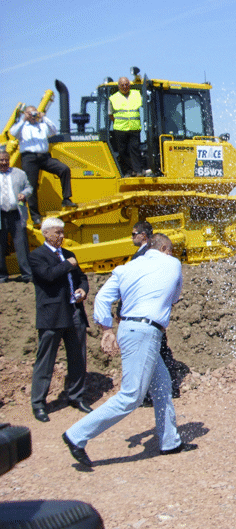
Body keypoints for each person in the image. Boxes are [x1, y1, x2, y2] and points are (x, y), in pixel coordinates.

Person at [62, 234, 197, 467]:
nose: (172, 254)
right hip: (145, 332)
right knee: (131, 396)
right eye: (171, 249)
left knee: (162, 385)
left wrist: (106, 330)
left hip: (129, 329)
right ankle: (76, 435)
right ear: (164, 248)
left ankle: (170, 441)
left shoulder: (126, 268)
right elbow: (174, 298)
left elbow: (103, 298)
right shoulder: (172, 263)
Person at [28, 217, 91, 423]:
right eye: (57, 233)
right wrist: (67, 265)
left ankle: (76, 396)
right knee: (45, 361)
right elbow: (47, 276)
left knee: (77, 357)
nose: (62, 237)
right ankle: (38, 404)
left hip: (74, 311)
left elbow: (81, 277)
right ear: (45, 233)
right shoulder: (37, 256)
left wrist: (83, 289)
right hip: (52, 315)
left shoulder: (69, 255)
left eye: (63, 233)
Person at [124, 220, 181, 404]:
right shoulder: (141, 257)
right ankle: (157, 392)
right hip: (149, 317)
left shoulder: (149, 259)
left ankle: (152, 393)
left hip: (149, 317)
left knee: (156, 353)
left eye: (134, 234)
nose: (132, 237)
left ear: (144, 236)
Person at [9, 106, 77, 226]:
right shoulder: (22, 127)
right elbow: (13, 132)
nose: (33, 115)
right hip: (29, 158)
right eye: (30, 113)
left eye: (34, 113)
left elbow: (54, 130)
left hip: (44, 157)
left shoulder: (42, 125)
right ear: (26, 114)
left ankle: (66, 199)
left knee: (64, 169)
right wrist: (23, 119)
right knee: (31, 185)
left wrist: (44, 117)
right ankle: (35, 216)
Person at [0, 149, 33, 283]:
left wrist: (24, 194)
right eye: (1, 160)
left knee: (21, 245)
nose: (4, 162)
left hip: (17, 214)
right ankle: (1, 276)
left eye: (6, 160)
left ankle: (27, 275)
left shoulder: (19, 173)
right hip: (0, 214)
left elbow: (29, 187)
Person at [108, 77, 147, 177]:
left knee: (134, 149)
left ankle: (138, 171)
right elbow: (110, 114)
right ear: (119, 86)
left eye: (126, 84)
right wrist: (118, 122)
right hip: (120, 129)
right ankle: (129, 170)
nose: (125, 87)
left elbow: (146, 104)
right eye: (122, 85)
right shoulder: (113, 98)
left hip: (134, 127)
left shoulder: (137, 94)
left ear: (129, 85)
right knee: (122, 151)